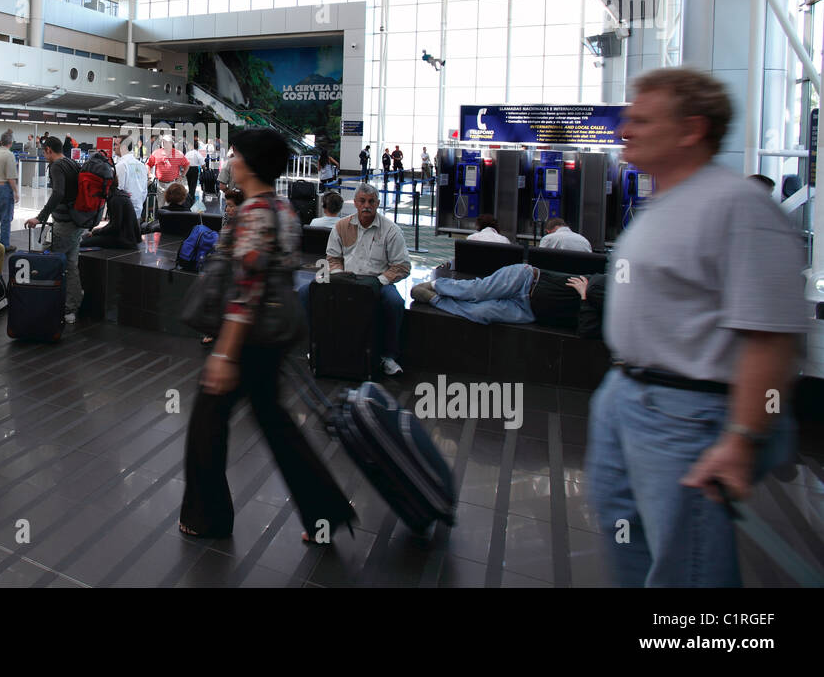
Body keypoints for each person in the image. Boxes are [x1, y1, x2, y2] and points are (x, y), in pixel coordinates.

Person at [584, 67, 804, 588]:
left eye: (641, 119)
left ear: (691, 130)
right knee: (629, 537)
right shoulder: (664, 203)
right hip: (627, 397)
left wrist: (744, 437)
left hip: (684, 414)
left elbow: (772, 337)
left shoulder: (739, 206)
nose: (625, 129)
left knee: (689, 565)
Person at [180, 127, 355, 543]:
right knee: (277, 425)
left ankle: (209, 518)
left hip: (248, 339)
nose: (231, 162)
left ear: (252, 163)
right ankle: (324, 515)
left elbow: (247, 291)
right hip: (275, 333)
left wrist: (223, 355)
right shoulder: (281, 208)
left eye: (236, 155)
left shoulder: (256, 212)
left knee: (207, 428)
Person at [298, 183, 411, 375]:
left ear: (378, 203)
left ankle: (389, 356)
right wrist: (339, 277)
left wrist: (379, 282)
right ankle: (317, 348)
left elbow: (402, 266)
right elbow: (332, 258)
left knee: (395, 303)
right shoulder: (342, 226)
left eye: (371, 201)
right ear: (356, 203)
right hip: (344, 279)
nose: (366, 205)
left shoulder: (391, 230)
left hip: (377, 281)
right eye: (362, 201)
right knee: (305, 292)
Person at [410, 267, 606, 338]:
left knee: (481, 313)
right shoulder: (609, 286)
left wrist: (584, 297)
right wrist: (587, 297)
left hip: (529, 311)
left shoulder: (614, 322)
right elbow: (595, 284)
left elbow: (587, 330)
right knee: (477, 291)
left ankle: (435, 299)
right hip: (528, 279)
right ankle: (437, 285)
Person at [25, 136, 85, 324]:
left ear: (49, 150)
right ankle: (73, 304)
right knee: (72, 264)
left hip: (65, 223)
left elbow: (58, 193)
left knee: (54, 263)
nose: (44, 155)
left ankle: (57, 305)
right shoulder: (72, 163)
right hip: (76, 221)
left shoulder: (57, 166)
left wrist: (40, 217)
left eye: (44, 152)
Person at [147, 135, 188, 206]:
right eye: (164, 142)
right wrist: (149, 174)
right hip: (160, 184)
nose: (166, 144)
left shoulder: (178, 153)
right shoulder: (156, 153)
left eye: (168, 142)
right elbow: (148, 164)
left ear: (172, 143)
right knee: (160, 204)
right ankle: (161, 216)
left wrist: (182, 175)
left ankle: (168, 216)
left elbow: (186, 164)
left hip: (172, 184)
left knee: (171, 204)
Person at [114, 139, 148, 224]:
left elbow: (117, 191)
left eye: (116, 145)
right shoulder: (141, 165)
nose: (114, 147)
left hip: (123, 213)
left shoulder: (121, 165)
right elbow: (144, 191)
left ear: (123, 147)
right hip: (137, 211)